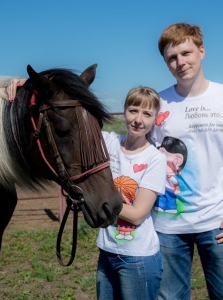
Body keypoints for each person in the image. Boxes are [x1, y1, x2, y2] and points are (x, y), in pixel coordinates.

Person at [150, 22, 223, 300]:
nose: (180, 62)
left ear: (201, 51)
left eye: (186, 53)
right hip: (169, 226)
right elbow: (130, 143)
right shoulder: (157, 103)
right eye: (172, 57)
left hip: (216, 223)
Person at [96, 87, 167, 300]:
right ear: (124, 110)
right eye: (133, 110)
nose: (138, 119)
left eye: (147, 114)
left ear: (155, 119)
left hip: (138, 258)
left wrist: (101, 196)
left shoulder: (155, 159)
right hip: (106, 250)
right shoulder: (109, 142)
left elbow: (137, 214)